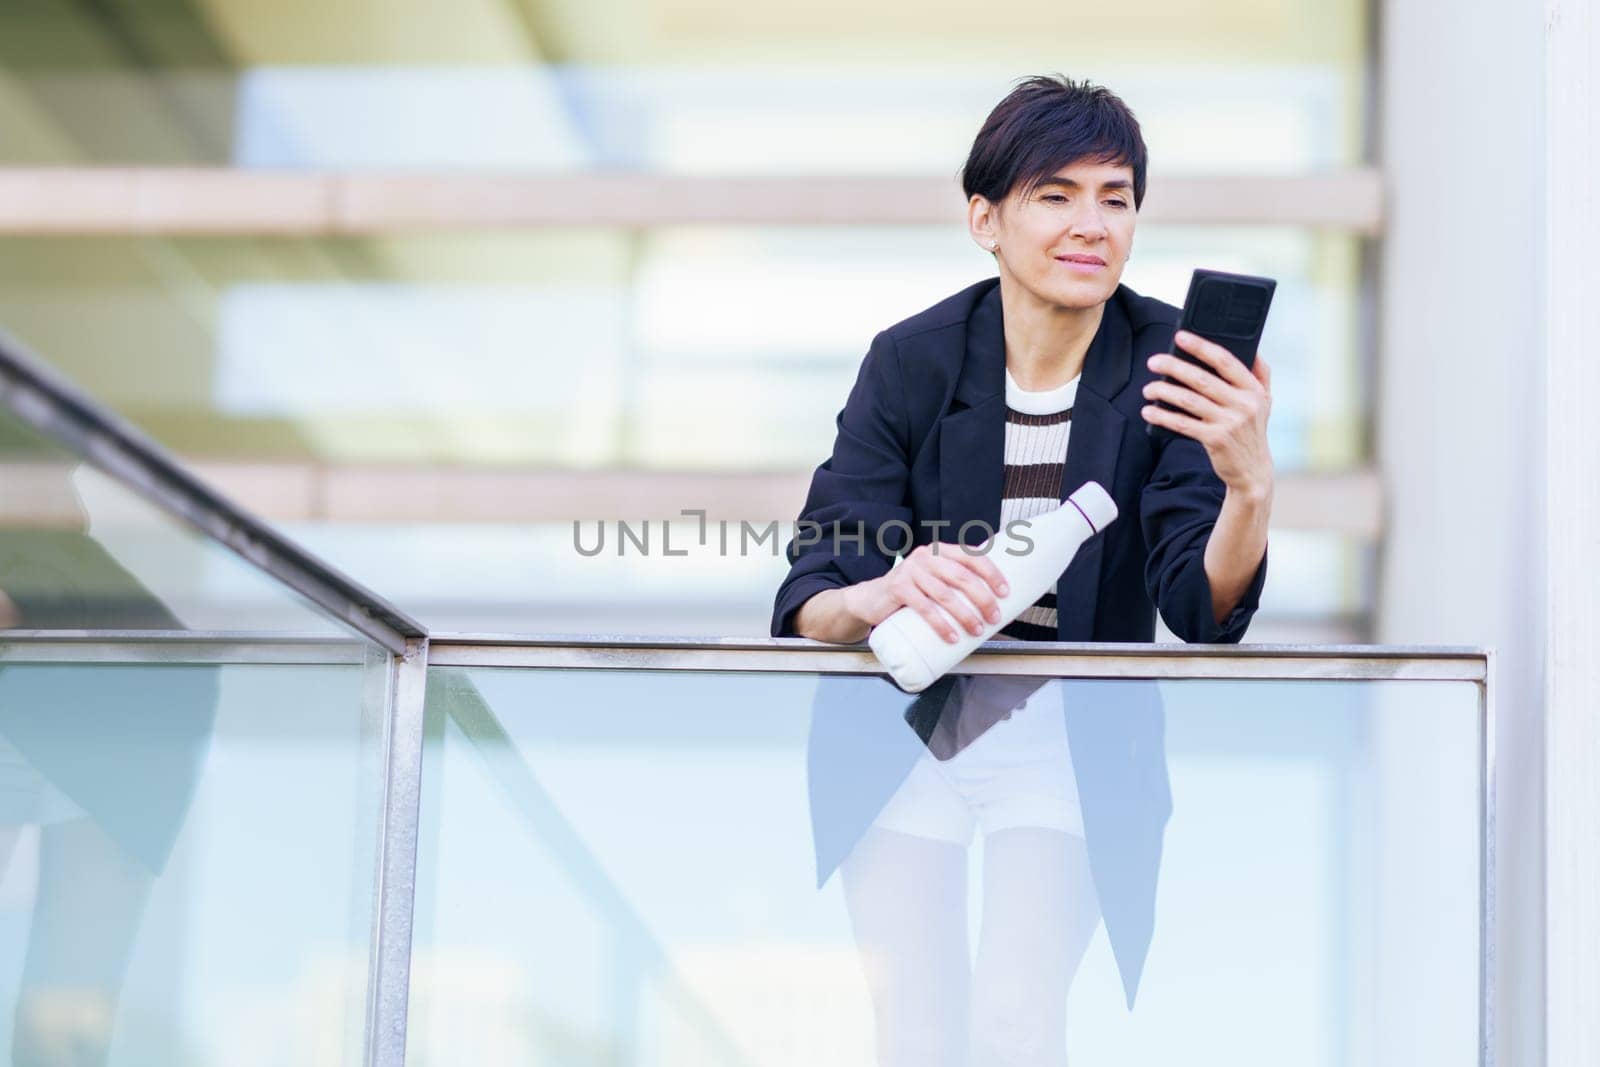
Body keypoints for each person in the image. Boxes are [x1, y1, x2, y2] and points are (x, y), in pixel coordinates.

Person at [770, 75, 1272, 1065]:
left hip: (1068, 736)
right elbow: (810, 591)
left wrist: (1247, 489)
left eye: (1115, 197)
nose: (1092, 224)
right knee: (912, 1031)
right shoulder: (911, 361)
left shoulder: (1169, 361)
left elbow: (1198, 607)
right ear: (984, 218)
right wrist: (884, 589)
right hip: (903, 722)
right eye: (1056, 193)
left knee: (1014, 1021)